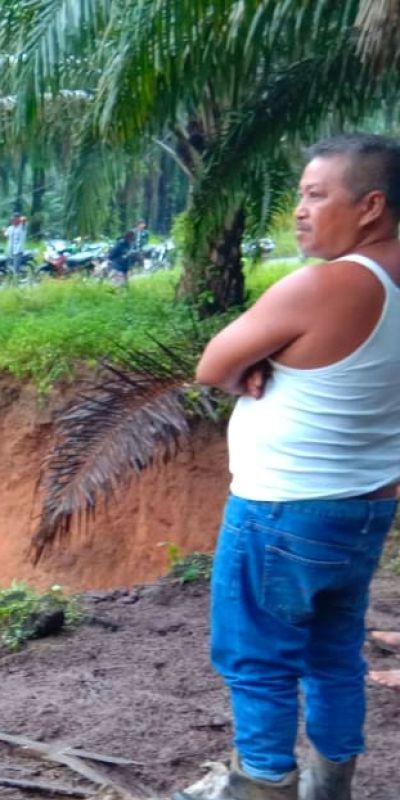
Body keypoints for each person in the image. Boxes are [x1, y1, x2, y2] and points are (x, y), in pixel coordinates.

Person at [175, 134, 400, 800]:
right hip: (364, 508)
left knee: (258, 660)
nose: (299, 210)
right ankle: (329, 787)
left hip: (283, 508)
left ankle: (263, 787)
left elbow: (214, 364)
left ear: (371, 206)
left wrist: (253, 365)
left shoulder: (331, 283)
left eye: (315, 194)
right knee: (334, 658)